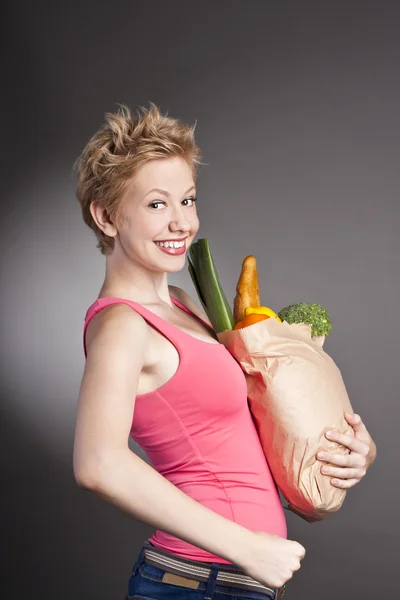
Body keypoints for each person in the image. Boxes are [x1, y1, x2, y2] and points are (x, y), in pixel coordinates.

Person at [73, 104, 377, 600]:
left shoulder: (181, 304)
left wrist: (349, 453)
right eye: (156, 204)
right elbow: (97, 463)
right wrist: (246, 547)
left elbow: (239, 437)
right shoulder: (121, 325)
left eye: (187, 200)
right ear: (107, 217)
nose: (180, 223)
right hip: (196, 580)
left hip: (229, 580)